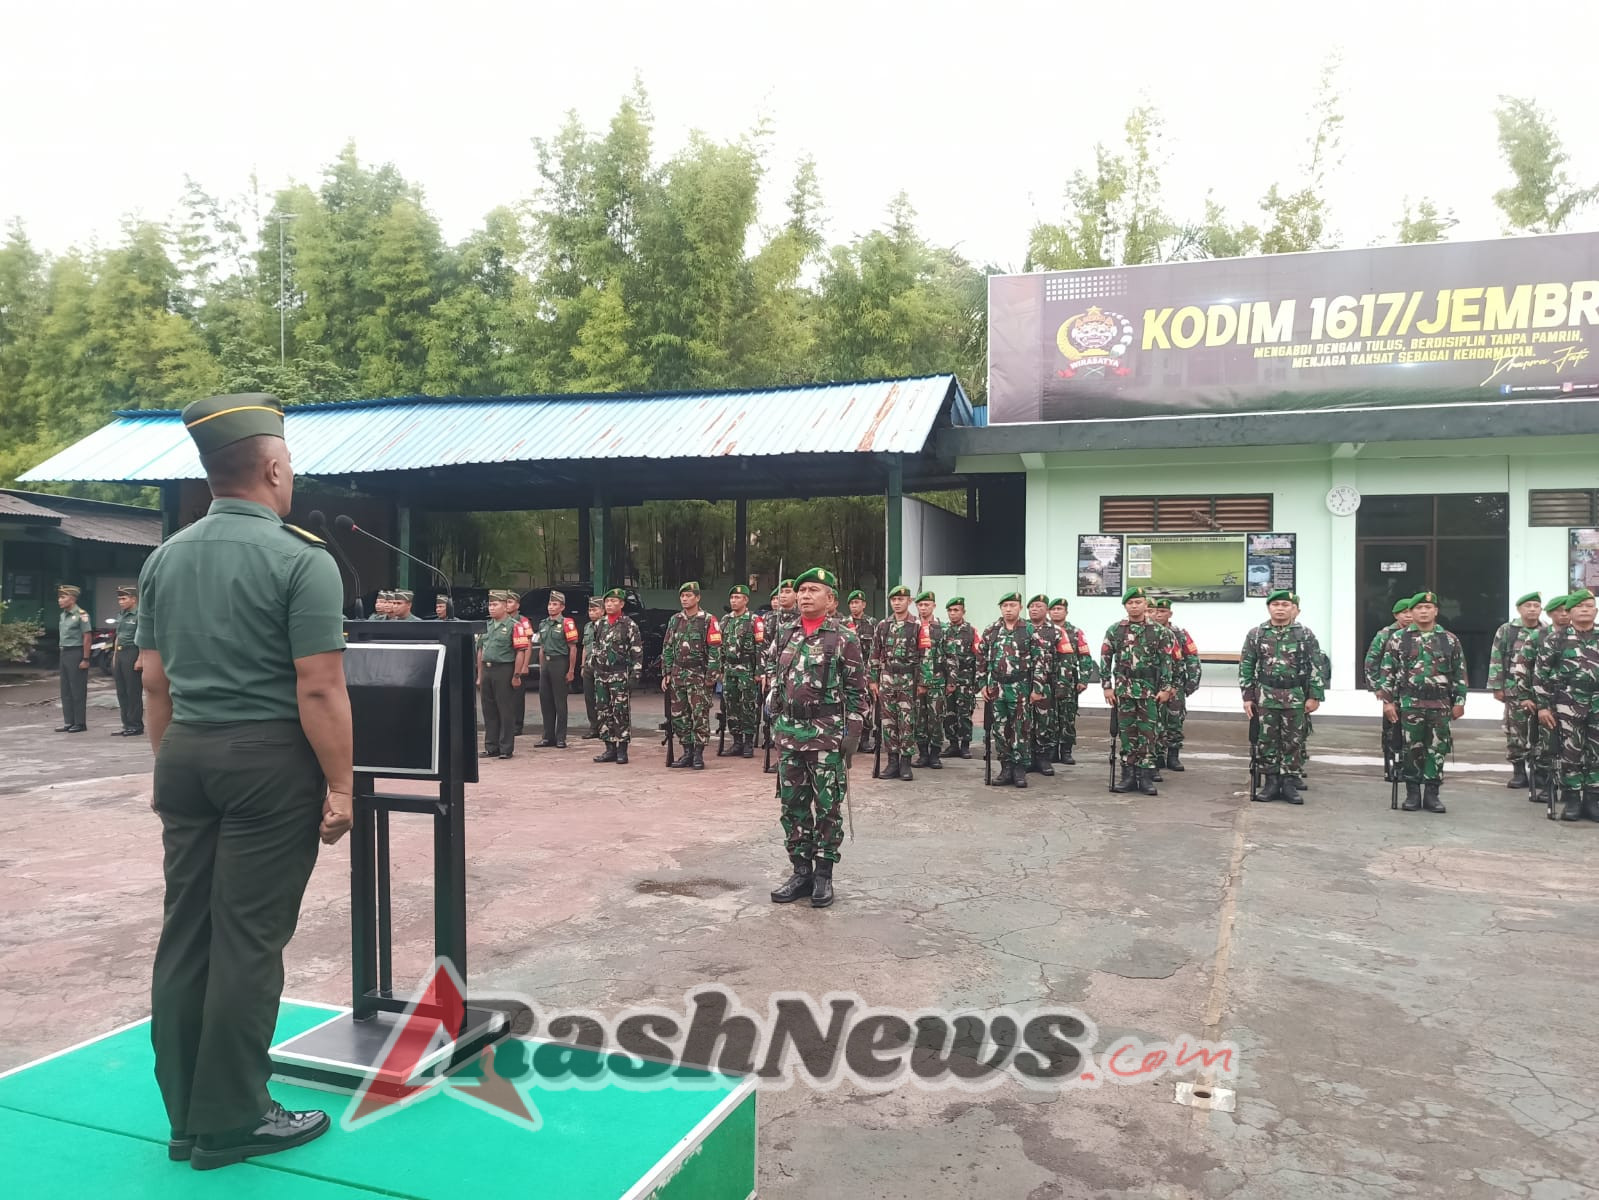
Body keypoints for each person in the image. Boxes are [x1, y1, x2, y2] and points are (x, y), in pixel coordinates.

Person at [136, 392, 352, 1170]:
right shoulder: (301, 559)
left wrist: (172, 763)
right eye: (287, 463)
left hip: (185, 753)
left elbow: (152, 681)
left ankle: (186, 1118)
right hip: (267, 762)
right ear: (271, 469)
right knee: (249, 941)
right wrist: (342, 785)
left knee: (186, 932)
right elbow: (319, 686)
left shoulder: (164, 558)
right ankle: (234, 1118)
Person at [767, 567, 868, 909]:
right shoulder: (785, 633)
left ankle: (824, 874)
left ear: (831, 599)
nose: (805, 595)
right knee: (792, 805)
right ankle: (801, 872)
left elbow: (857, 692)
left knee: (827, 807)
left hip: (826, 734)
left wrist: (852, 733)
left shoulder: (844, 637)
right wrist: (774, 715)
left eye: (813, 590)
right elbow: (774, 675)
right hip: (789, 734)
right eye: (802, 590)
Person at [1376, 590, 1466, 814]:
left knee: (1437, 748)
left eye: (1428, 607)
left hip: (1440, 704)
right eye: (1419, 608)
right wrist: (1388, 702)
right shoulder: (1399, 638)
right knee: (1411, 749)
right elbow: (1387, 671)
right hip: (1410, 703)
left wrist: (1460, 701)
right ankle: (1413, 793)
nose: (1423, 611)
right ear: (1412, 612)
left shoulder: (1449, 639)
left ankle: (1432, 794)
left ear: (1436, 611)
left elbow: (1459, 672)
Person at [1239, 589, 1324, 805]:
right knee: (1266, 740)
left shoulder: (1304, 634)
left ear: (1293, 609)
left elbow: (1317, 665)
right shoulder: (1257, 634)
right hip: (1266, 695)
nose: (1280, 609)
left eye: (1285, 605)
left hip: (1295, 695)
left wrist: (1315, 696)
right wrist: (1247, 696)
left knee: (1293, 741)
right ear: (1269, 608)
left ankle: (1289, 783)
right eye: (1275, 605)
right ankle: (1271, 782)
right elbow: (1247, 664)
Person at [1101, 587, 1177, 796]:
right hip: (1124, 690)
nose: (1134, 606)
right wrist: (1107, 686)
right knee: (1127, 734)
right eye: (1130, 603)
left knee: (1148, 734)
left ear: (1145, 604)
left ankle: (1145, 777)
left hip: (1149, 691)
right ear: (1125, 606)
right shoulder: (1115, 630)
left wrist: (1166, 688)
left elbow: (1167, 661)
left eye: (1138, 602)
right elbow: (1105, 659)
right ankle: (1128, 776)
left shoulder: (1160, 632)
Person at [1533, 589, 1599, 821]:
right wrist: (1543, 707)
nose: (1585, 610)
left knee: (1596, 752)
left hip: (1598, 702)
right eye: (1579, 606)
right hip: (1567, 703)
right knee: (1570, 752)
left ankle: (1592, 800)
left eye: (1589, 606)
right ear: (1569, 612)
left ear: (1596, 611)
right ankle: (1572, 800)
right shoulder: (1556, 639)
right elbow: (1540, 674)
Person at [981, 592, 1048, 788]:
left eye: (1012, 605)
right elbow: (980, 658)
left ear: (1019, 607)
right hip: (997, 687)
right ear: (1000, 608)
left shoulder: (1029, 630)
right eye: (1005, 606)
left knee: (1021, 729)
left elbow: (1040, 660)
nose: (1008, 609)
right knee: (1000, 729)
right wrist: (982, 684)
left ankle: (1019, 769)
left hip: (1020, 687)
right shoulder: (991, 630)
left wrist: (1037, 688)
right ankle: (1006, 767)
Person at [1488, 591, 1546, 789]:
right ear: (1519, 609)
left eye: (1536, 606)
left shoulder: (1546, 630)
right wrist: (1497, 686)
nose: (1532, 609)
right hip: (1514, 690)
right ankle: (1519, 772)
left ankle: (1538, 771)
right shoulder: (1508, 630)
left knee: (1541, 732)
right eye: (1528, 606)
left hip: (1540, 690)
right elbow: (1496, 657)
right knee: (1515, 731)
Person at [662, 582, 722, 770]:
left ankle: (698, 754)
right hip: (678, 674)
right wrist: (667, 672)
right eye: (682, 596)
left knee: (699, 715)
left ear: (697, 597)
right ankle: (687, 751)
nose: (685, 599)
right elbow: (668, 647)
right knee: (679, 715)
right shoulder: (675, 620)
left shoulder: (708, 620)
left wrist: (711, 676)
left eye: (688, 595)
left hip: (698, 675)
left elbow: (715, 650)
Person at [871, 585, 923, 782]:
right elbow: (875, 654)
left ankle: (906, 762)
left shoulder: (917, 625)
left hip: (908, 679)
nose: (897, 603)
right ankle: (892, 761)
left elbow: (925, 656)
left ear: (909, 601)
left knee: (907, 722)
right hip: (887, 679)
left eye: (901, 599)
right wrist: (872, 680)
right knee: (888, 721)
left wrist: (923, 682)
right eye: (894, 600)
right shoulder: (883, 625)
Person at [1365, 596, 1416, 783]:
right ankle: (1392, 767)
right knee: (1392, 732)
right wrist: (1377, 688)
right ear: (1396, 615)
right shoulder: (1385, 634)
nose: (1408, 616)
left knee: (1413, 732)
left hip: (1415, 693)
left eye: (1411, 612)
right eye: (1404, 613)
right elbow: (1371, 661)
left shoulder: (1421, 633)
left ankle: (1411, 767)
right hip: (1392, 692)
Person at [591, 588, 643, 764]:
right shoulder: (599, 624)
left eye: (614, 601)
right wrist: (593, 665)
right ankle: (609, 748)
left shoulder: (629, 625)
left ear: (621, 604)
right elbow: (595, 645)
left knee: (620, 712)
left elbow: (637, 651)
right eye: (607, 601)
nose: (610, 604)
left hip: (619, 674)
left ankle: (622, 749)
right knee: (603, 711)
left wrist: (635, 674)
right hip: (601, 674)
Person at [1150, 598, 1201, 773]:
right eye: (1155, 611)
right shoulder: (1148, 632)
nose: (1158, 615)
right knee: (1154, 720)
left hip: (1175, 683)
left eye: (1162, 611)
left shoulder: (1179, 634)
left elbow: (1192, 657)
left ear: (1170, 614)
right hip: (1153, 683)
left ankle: (1173, 755)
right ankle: (1157, 756)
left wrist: (1192, 681)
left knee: (1175, 719)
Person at [1046, 598, 1094, 765]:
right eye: (1053, 609)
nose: (1056, 612)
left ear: (1066, 612)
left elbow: (1085, 657)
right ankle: (1051, 750)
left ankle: (1066, 751)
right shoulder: (1043, 631)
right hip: (1047, 681)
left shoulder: (1075, 632)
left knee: (1067, 716)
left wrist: (1084, 679)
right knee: (1048, 717)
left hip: (1068, 681)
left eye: (1059, 609)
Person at [720, 584, 763, 757]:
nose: (734, 601)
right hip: (729, 669)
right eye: (732, 598)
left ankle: (748, 742)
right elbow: (719, 647)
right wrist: (720, 669)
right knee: (731, 705)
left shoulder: (754, 620)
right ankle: (736, 741)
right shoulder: (725, 620)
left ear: (746, 600)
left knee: (748, 705)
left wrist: (759, 671)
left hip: (747, 669)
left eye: (737, 598)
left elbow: (760, 647)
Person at [911, 590, 951, 770]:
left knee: (936, 718)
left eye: (927, 604)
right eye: (920, 605)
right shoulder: (912, 627)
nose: (923, 608)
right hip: (916, 681)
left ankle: (935, 754)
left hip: (937, 680)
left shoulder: (943, 629)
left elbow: (951, 655)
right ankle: (922, 753)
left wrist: (952, 680)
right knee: (919, 718)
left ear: (934, 605)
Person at [534, 590, 579, 748]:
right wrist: (541, 667)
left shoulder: (567, 623)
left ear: (562, 607)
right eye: (550, 604)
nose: (551, 607)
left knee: (560, 702)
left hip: (560, 662)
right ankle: (548, 736)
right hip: (546, 663)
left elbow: (573, 648)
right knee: (545, 701)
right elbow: (542, 647)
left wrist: (571, 670)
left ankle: (561, 737)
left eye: (555, 604)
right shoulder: (543, 624)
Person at [477, 591, 519, 759]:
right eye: (490, 605)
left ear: (505, 606)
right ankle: (491, 746)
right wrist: (479, 675)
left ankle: (506, 747)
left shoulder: (514, 626)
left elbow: (521, 651)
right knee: (489, 710)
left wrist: (517, 675)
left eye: (495, 605)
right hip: (487, 669)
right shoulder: (486, 626)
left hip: (504, 669)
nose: (491, 608)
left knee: (505, 709)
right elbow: (481, 650)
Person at [1022, 595, 1059, 776]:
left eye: (1039, 606)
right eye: (1032, 606)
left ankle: (1043, 758)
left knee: (1044, 721)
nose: (1034, 609)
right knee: (1025, 721)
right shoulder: (1021, 629)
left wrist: (1062, 685)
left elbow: (1065, 659)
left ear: (1046, 610)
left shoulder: (1056, 631)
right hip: (1022, 683)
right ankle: (1028, 757)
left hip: (1046, 684)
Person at [942, 597, 980, 759]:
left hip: (965, 680)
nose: (953, 613)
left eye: (956, 610)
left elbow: (979, 656)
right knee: (948, 713)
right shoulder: (943, 631)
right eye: (950, 610)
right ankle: (952, 744)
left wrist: (977, 681)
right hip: (947, 680)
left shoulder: (971, 631)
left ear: (963, 612)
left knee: (964, 714)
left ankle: (965, 745)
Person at [55, 584, 92, 733]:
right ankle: (69, 721)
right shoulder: (63, 615)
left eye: (63, 597)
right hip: (64, 652)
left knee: (77, 689)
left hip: (76, 652)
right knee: (65, 689)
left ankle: (80, 722)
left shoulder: (82, 614)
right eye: (59, 597)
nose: (59, 600)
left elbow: (87, 637)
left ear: (72, 598)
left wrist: (85, 659)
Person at [844, 590, 877, 752]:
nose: (854, 606)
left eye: (857, 602)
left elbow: (876, 650)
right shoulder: (843, 623)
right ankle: (849, 740)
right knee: (847, 705)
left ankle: (864, 739)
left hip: (866, 671)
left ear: (864, 605)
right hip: (848, 672)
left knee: (867, 705)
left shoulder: (872, 623)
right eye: (851, 603)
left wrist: (873, 675)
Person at [112, 584, 145, 736]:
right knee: (121, 691)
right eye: (119, 599)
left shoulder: (139, 615)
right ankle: (126, 724)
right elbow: (118, 636)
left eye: (124, 599)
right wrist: (114, 657)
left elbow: (143, 639)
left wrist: (140, 659)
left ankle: (136, 725)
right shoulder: (121, 615)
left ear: (133, 599)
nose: (121, 602)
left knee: (133, 691)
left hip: (132, 652)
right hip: (120, 653)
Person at [507, 593, 534, 736]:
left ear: (517, 605)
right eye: (505, 602)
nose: (507, 605)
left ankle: (517, 725)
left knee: (517, 697)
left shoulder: (523, 621)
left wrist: (525, 665)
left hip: (518, 661)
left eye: (510, 602)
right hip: (505, 663)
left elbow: (528, 644)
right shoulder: (502, 620)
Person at [579, 596, 604, 738]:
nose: (591, 613)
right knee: (589, 698)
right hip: (589, 666)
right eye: (590, 610)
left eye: (594, 610)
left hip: (602, 667)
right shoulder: (587, 626)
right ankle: (593, 727)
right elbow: (585, 647)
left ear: (602, 611)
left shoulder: (606, 625)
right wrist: (583, 666)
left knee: (602, 698)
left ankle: (604, 727)